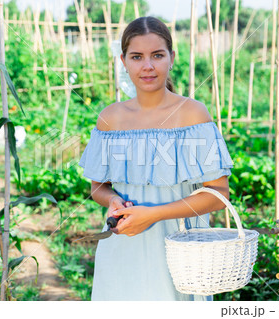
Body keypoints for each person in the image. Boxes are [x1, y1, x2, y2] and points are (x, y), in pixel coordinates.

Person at [78, 16, 233, 301]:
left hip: (181, 250)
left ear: (171, 58)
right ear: (123, 61)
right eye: (137, 57)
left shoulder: (193, 115)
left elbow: (218, 194)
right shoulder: (109, 119)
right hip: (122, 248)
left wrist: (153, 215)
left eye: (157, 55)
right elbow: (98, 187)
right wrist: (112, 200)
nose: (147, 66)